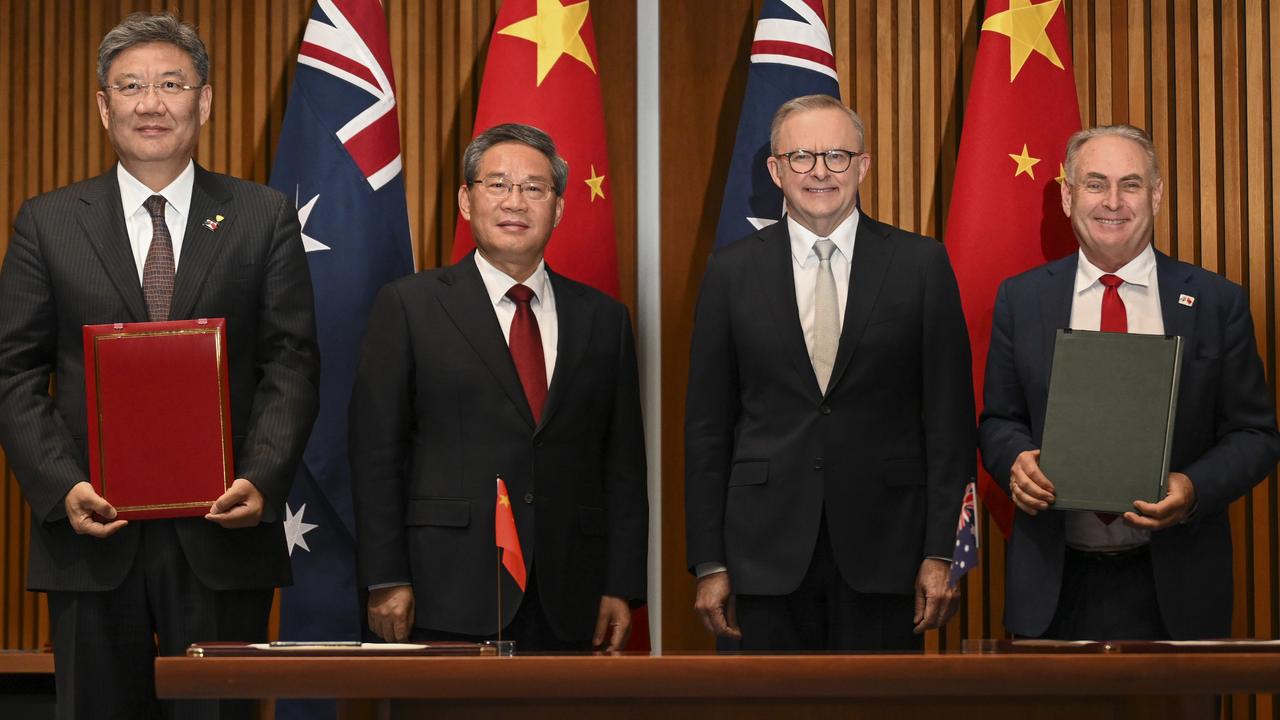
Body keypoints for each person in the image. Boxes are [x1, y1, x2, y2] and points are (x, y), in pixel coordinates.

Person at [0, 12, 320, 719]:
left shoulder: (262, 217)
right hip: (90, 535)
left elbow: (291, 362)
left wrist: (261, 477)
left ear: (202, 101)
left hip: (223, 531)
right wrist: (63, 485)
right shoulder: (47, 223)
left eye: (171, 84)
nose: (151, 103)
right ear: (103, 104)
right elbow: (13, 374)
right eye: (131, 86)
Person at [684, 94, 975, 651]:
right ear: (775, 170)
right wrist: (709, 561)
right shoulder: (729, 272)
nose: (820, 171)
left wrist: (942, 551)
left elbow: (950, 424)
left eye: (837, 156)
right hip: (762, 558)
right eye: (801, 157)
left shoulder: (921, 265)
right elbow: (706, 429)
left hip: (889, 553)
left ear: (863, 165)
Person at [350, 123, 647, 651]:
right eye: (497, 185)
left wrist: (620, 585)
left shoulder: (604, 319)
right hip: (444, 588)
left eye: (534, 188)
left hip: (571, 593)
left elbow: (622, 464)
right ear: (466, 200)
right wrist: (386, 576)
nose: (516, 202)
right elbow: (376, 454)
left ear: (557, 208)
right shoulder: (410, 306)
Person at [979, 124, 1280, 640]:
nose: (1112, 202)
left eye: (1131, 184)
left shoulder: (1216, 303)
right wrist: (1015, 462)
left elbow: (1255, 436)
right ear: (1069, 196)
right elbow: (999, 421)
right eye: (1095, 184)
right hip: (1052, 586)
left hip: (1179, 587)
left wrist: (1192, 488)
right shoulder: (1021, 300)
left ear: (1156, 195)